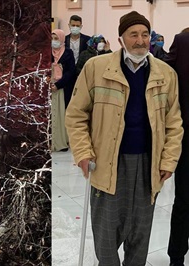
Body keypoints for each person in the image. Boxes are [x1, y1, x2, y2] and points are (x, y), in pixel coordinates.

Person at [66, 11, 183, 265]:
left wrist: (169, 160)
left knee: (140, 236)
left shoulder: (165, 74)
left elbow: (174, 123)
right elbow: (76, 114)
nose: (140, 41)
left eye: (144, 35)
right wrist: (83, 152)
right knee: (106, 240)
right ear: (120, 39)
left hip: (147, 165)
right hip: (108, 162)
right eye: (133, 35)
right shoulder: (96, 69)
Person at [164, 27, 189, 266]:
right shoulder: (183, 41)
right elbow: (163, 75)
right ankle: (177, 256)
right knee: (184, 199)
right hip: (188, 135)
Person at [51, 29, 75, 152]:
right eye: (52, 38)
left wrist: (59, 84)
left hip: (62, 88)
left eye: (56, 39)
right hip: (49, 87)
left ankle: (60, 142)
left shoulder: (68, 53)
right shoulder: (48, 53)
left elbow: (71, 72)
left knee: (61, 114)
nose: (54, 41)